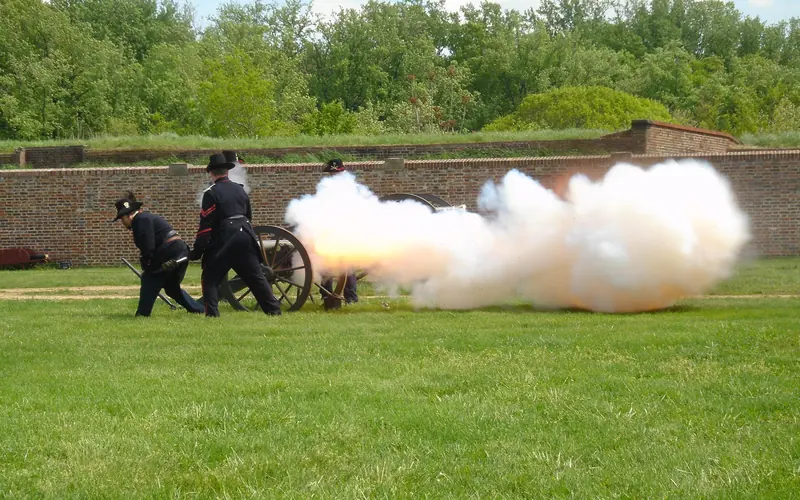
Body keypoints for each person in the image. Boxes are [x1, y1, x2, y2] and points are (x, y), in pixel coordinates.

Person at [189, 152, 282, 317]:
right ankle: (274, 310)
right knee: (256, 278)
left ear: (211, 173)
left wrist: (198, 251)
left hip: (225, 239)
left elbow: (205, 227)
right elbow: (248, 216)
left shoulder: (210, 193)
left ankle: (212, 314)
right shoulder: (240, 190)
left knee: (210, 277)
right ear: (227, 171)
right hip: (246, 235)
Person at [112, 191, 204, 317]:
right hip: (179, 251)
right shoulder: (145, 218)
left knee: (149, 279)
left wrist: (147, 261)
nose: (122, 223)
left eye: (122, 219)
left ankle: (142, 314)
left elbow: (148, 245)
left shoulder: (140, 220)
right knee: (171, 287)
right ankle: (199, 310)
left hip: (169, 251)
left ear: (127, 216)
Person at [320, 158, 359, 308]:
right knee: (347, 266)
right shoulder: (352, 186)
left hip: (336, 231)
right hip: (347, 230)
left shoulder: (329, 188)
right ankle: (350, 297)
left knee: (326, 265)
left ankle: (327, 294)